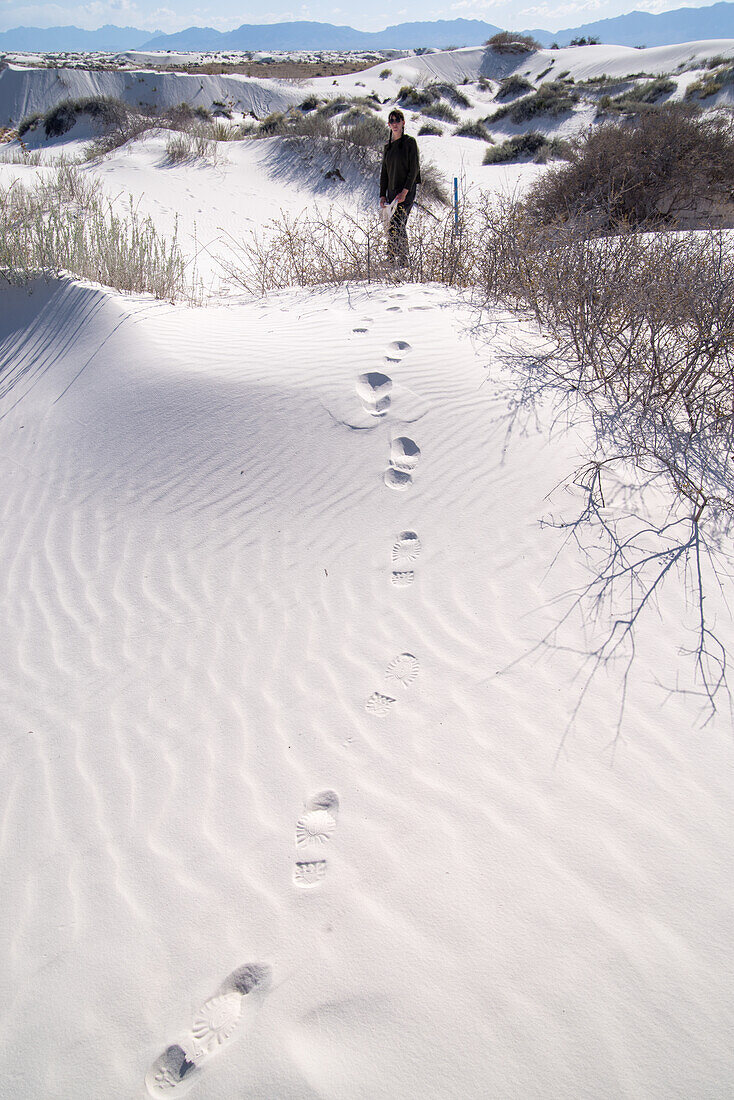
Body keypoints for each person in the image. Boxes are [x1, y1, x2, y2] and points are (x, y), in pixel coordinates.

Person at [379, 109, 421, 267]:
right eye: (392, 121)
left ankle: (403, 261)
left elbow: (414, 168)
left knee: (398, 222)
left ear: (403, 123)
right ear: (389, 124)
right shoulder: (388, 147)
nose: (395, 124)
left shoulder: (409, 143)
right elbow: (384, 172)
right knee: (392, 225)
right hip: (391, 191)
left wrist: (405, 191)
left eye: (398, 120)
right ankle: (391, 259)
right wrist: (382, 195)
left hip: (406, 192)